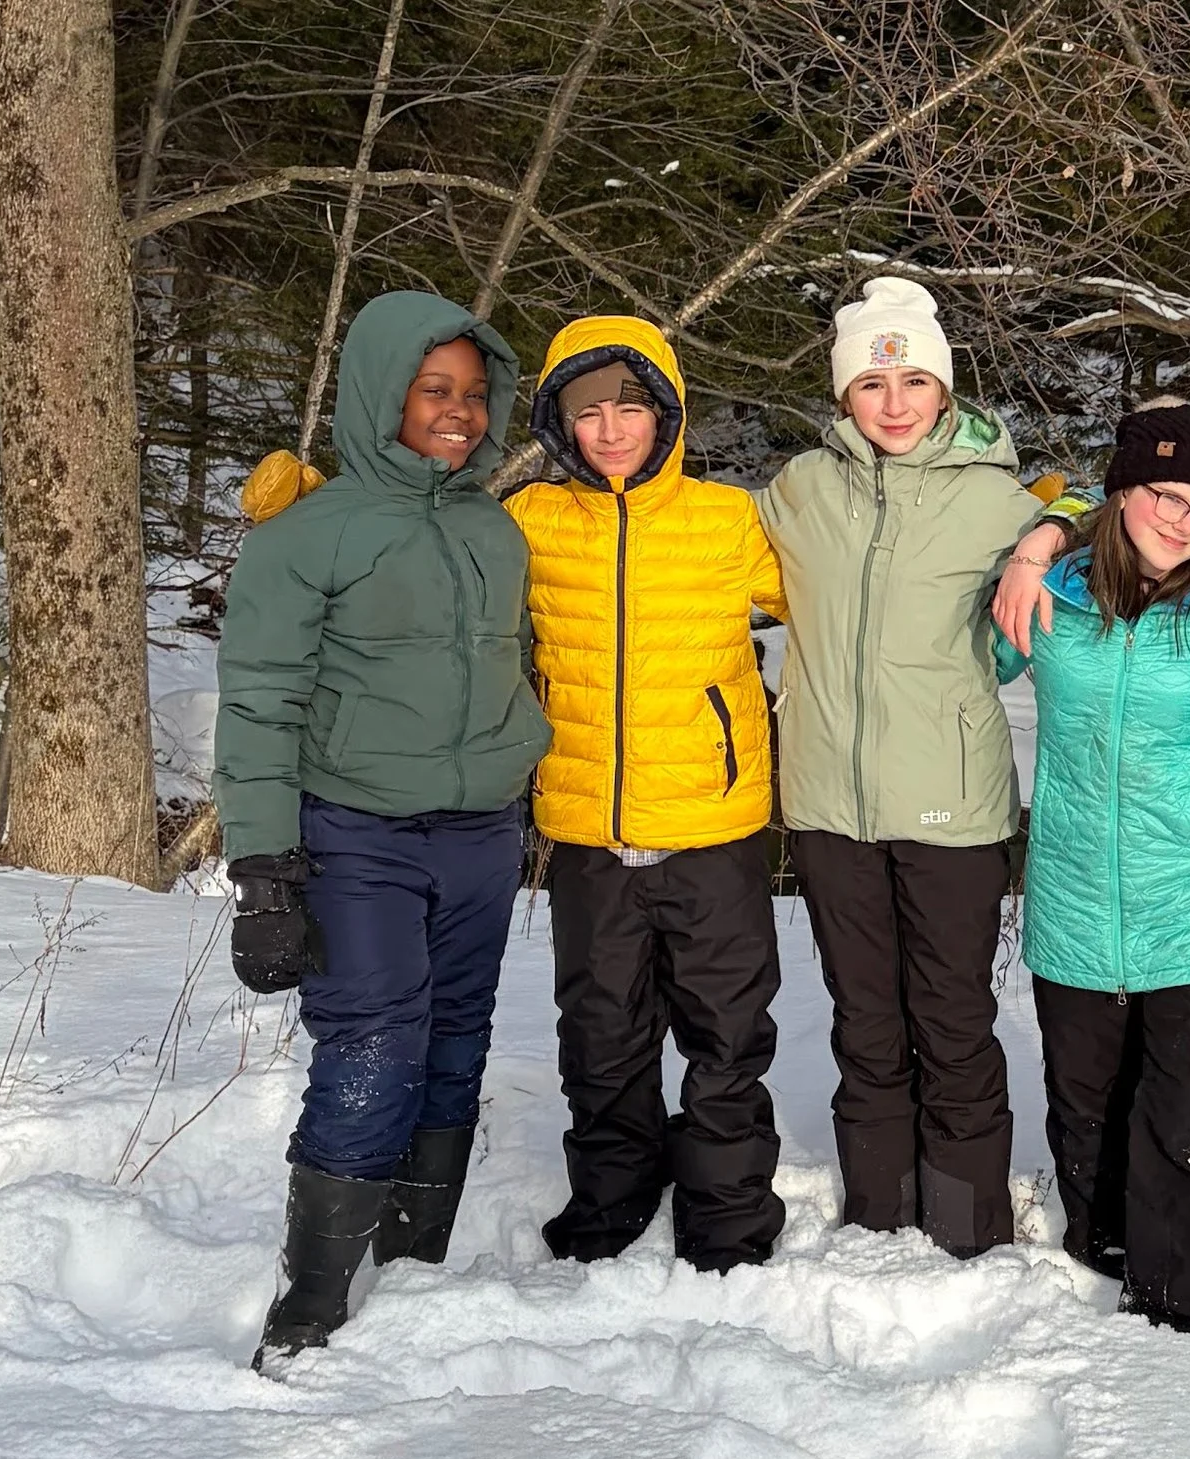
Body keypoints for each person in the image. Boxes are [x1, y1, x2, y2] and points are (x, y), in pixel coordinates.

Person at [216, 292, 550, 1373]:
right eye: (432, 390)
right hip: (354, 832)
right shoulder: (309, 535)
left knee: (456, 1044)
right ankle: (308, 1307)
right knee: (371, 1048)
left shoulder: (493, 526)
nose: (458, 412)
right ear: (381, 394)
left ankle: (412, 1274)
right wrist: (266, 872)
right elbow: (258, 700)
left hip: (481, 836)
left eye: (472, 392)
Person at [755, 276, 1079, 1259]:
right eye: (870, 383)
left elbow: (1131, 514)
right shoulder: (800, 491)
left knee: (950, 1021)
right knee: (863, 1022)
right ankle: (878, 1216)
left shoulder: (996, 501)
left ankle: (967, 1226)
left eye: (913, 381)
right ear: (844, 394)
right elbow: (697, 547)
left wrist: (1047, 535)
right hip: (826, 805)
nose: (894, 403)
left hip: (951, 808)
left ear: (944, 388)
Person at [511, 316, 791, 1274]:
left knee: (728, 1034)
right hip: (588, 832)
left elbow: (857, 575)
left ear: (667, 414)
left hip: (712, 830)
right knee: (600, 1034)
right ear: (561, 422)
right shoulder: (532, 522)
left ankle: (726, 1211)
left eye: (633, 406)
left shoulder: (728, 521)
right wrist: (314, 507)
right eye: (591, 411)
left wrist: (1022, 525)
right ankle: (612, 1200)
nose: (614, 428)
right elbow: (427, 549)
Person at [997, 402, 1190, 1338]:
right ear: (1120, 493)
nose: (1186, 523)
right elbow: (973, 651)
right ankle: (1098, 1268)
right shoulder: (1054, 598)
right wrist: (1039, 536)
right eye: (1167, 496)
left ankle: (1188, 1315)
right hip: (1074, 894)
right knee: (1085, 1105)